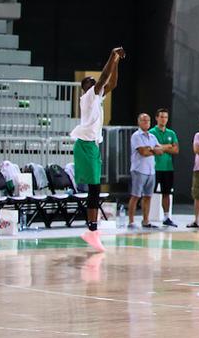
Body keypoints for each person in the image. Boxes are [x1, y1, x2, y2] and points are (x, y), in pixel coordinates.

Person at [70, 47, 125, 252]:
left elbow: (113, 83)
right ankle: (92, 231)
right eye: (91, 83)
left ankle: (92, 231)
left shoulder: (97, 99)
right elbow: (103, 79)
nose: (96, 84)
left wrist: (117, 62)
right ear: (86, 88)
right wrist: (112, 55)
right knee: (94, 188)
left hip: (92, 146)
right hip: (85, 146)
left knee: (95, 188)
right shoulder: (88, 98)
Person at [129, 113, 163, 229]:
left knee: (148, 196)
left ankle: (145, 220)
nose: (146, 123)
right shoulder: (136, 136)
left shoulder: (152, 137)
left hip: (151, 170)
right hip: (139, 169)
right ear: (139, 122)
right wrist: (152, 150)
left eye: (148, 120)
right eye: (143, 120)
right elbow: (142, 152)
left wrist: (151, 149)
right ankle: (131, 221)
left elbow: (160, 150)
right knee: (135, 196)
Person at [150, 108, 179, 228]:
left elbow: (176, 149)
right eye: (161, 117)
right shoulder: (151, 132)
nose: (163, 119)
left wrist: (161, 148)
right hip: (154, 167)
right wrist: (167, 146)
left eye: (165, 117)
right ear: (157, 118)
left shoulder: (171, 133)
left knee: (166, 193)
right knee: (149, 193)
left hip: (168, 168)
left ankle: (166, 217)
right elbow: (152, 149)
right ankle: (146, 218)